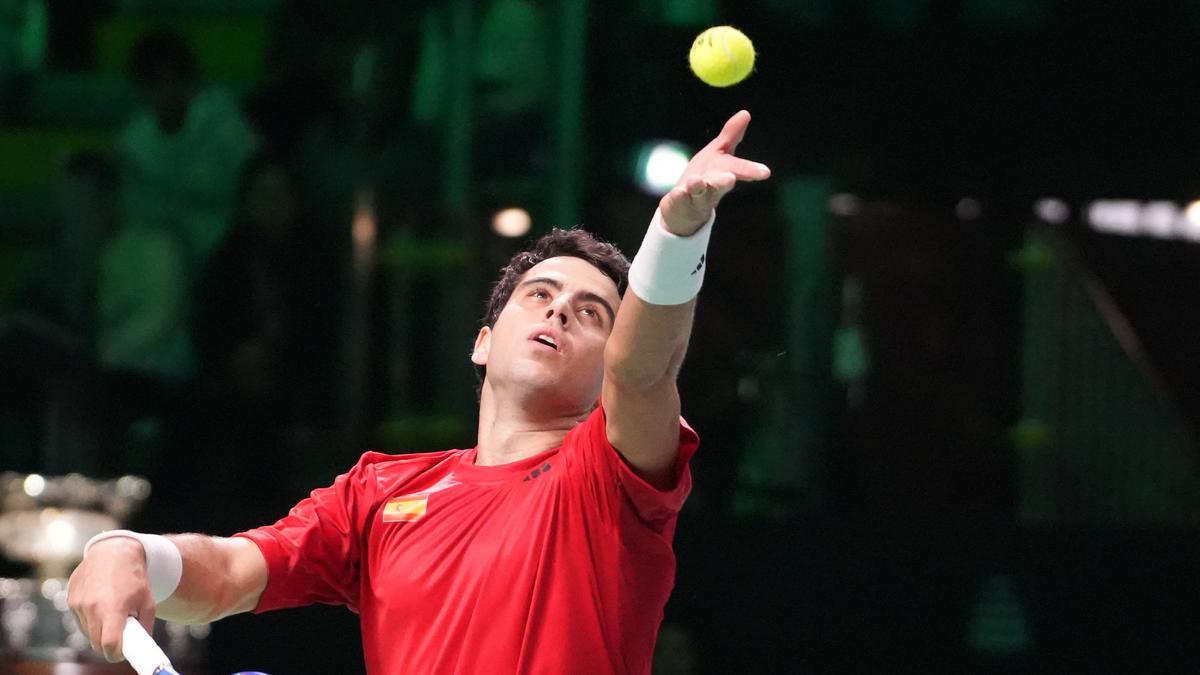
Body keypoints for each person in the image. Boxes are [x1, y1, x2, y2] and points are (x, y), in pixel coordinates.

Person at [67, 110, 771, 674]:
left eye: (592, 314)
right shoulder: (377, 494)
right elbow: (227, 574)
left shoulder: (607, 482)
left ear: (602, 369)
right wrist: (130, 551)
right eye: (540, 294)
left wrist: (678, 231)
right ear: (483, 341)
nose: (560, 310)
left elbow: (644, 370)